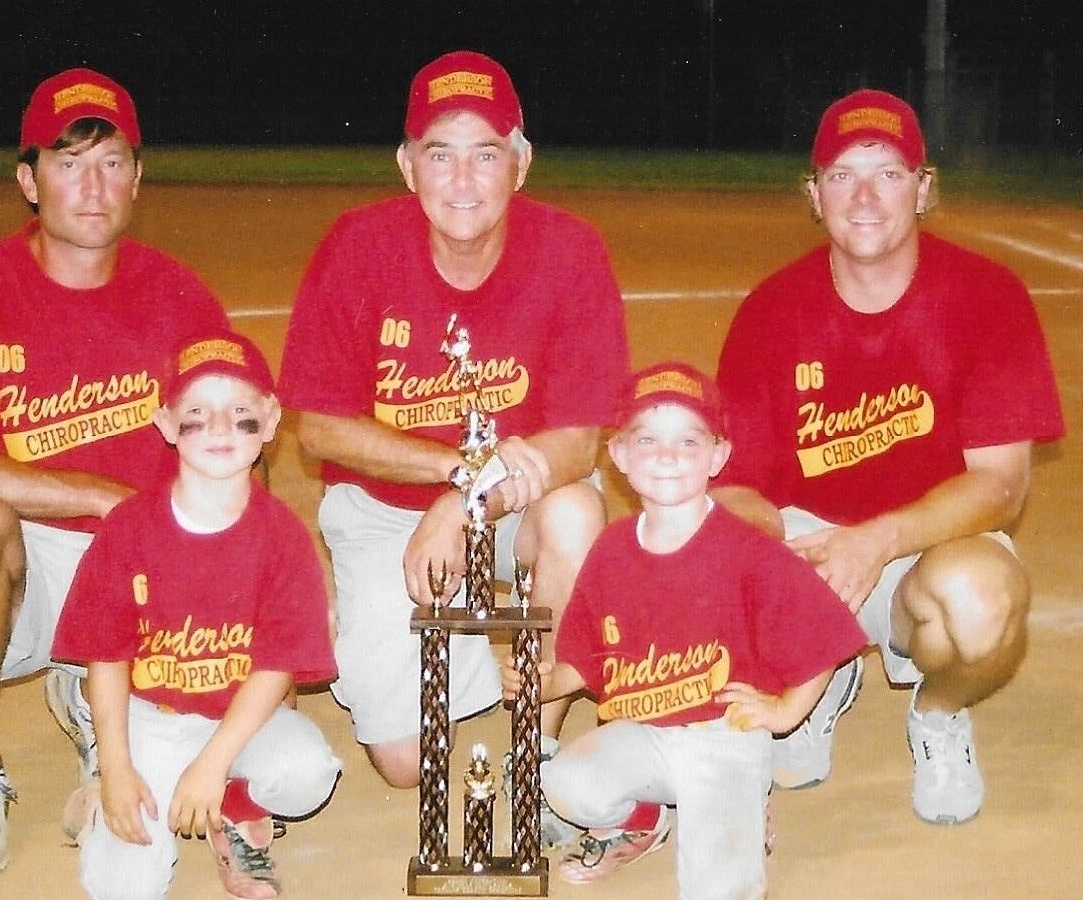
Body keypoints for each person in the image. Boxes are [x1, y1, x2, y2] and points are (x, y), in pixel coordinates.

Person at [0, 67, 230, 874]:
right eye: (68, 162)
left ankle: (91, 699)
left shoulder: (178, 297)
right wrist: (92, 495)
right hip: (23, 568)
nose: (92, 185)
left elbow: (231, 447)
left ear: (139, 178)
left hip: (134, 567)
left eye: (112, 162)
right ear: (27, 178)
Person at [277, 49, 630, 818]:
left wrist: (465, 499)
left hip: (518, 504)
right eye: (440, 155)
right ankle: (422, 627)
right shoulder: (358, 246)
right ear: (407, 166)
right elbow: (319, 429)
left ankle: (536, 727)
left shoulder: (571, 251)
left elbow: (575, 444)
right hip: (382, 509)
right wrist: (458, 473)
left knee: (577, 514)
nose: (463, 180)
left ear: (521, 162)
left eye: (485, 153)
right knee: (405, 764)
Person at [714, 88, 1065, 826]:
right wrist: (774, 570)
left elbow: (1000, 485)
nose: (865, 195)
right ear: (814, 196)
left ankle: (937, 715)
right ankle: (821, 673)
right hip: (809, 544)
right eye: (842, 174)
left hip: (923, 544)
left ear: (924, 187)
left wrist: (876, 542)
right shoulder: (771, 311)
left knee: (982, 601)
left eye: (889, 172)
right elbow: (739, 488)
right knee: (708, 556)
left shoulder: (987, 297)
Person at [501, 361, 866, 897]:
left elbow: (825, 637)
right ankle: (645, 818)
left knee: (716, 890)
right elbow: (584, 660)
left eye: (689, 442)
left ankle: (742, 801)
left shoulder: (746, 550)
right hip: (645, 728)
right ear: (619, 455)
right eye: (646, 439)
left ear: (719, 455)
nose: (667, 456)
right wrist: (540, 683)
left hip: (723, 736)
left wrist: (786, 712)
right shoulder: (611, 550)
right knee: (564, 785)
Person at [51, 329, 341, 900]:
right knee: (125, 890)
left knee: (308, 773)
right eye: (196, 414)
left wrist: (213, 766)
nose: (219, 430)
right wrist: (115, 768)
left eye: (240, 414)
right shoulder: (129, 529)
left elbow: (277, 666)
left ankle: (234, 805)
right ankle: (94, 800)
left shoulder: (282, 538)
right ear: (164, 425)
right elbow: (105, 655)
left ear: (271, 419)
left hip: (237, 717)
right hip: (149, 718)